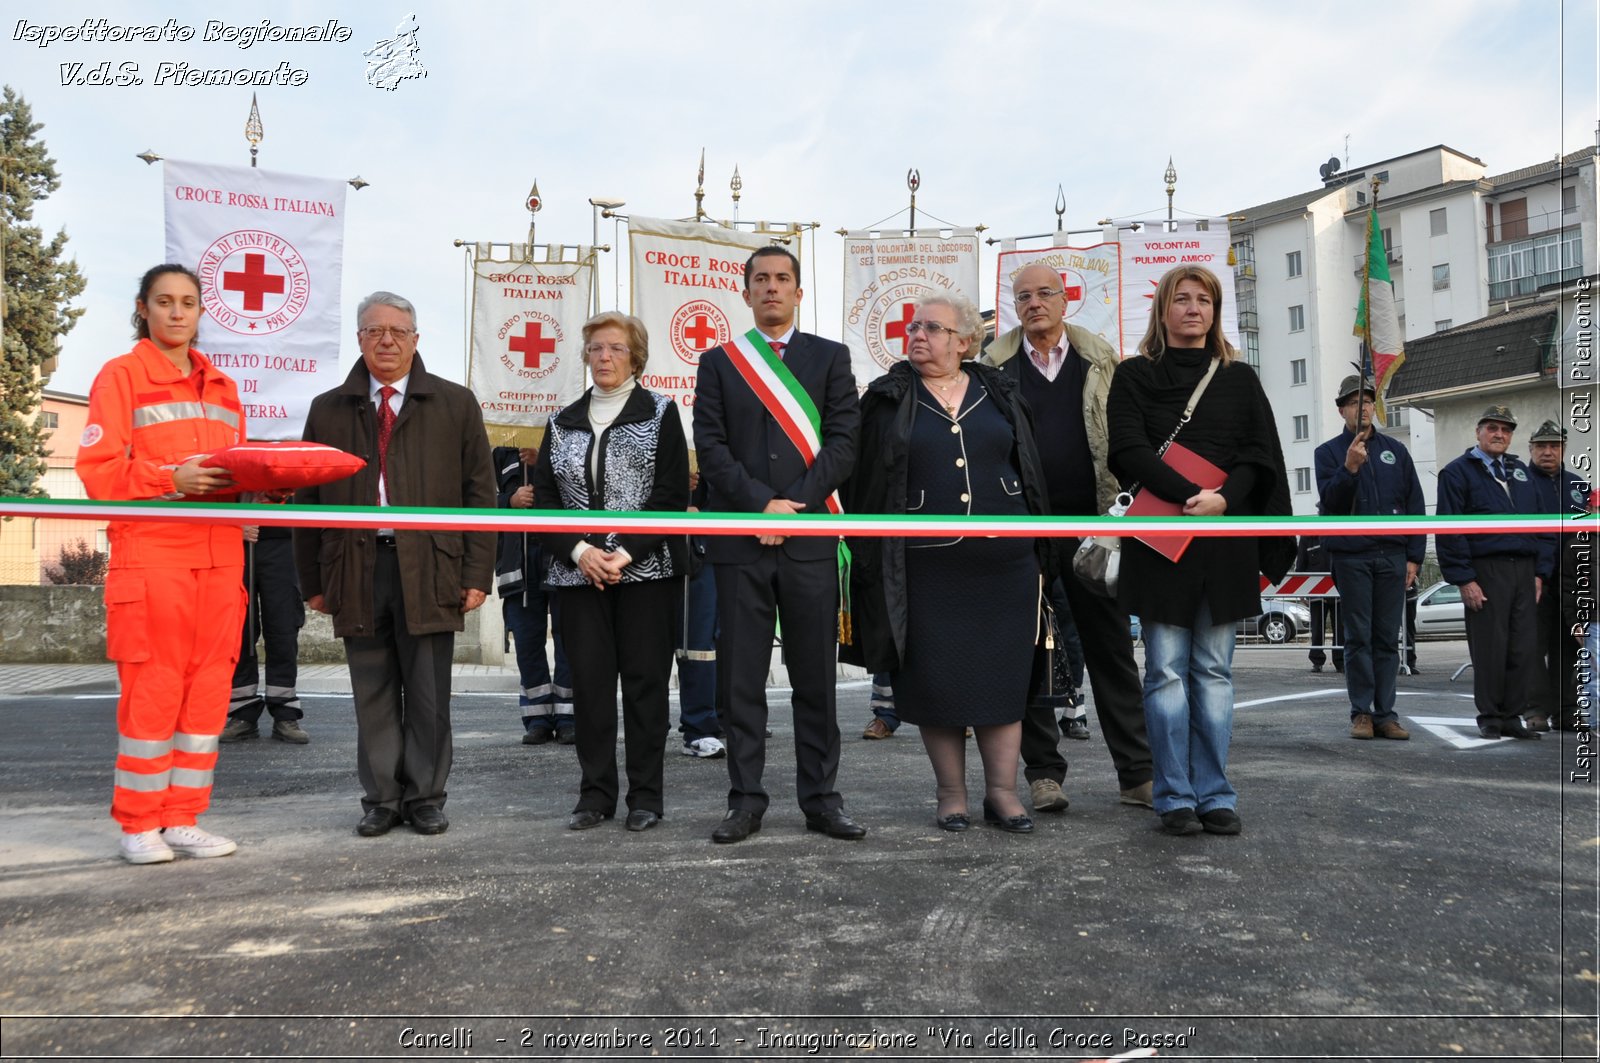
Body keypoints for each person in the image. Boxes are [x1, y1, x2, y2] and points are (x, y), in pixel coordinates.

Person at [294, 291, 496, 837]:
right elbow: (307, 502)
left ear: (415, 338)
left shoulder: (455, 404)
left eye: (398, 332)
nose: (387, 341)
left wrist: (477, 574)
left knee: (429, 692)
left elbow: (481, 493)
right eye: (374, 331)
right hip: (356, 566)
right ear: (359, 339)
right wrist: (312, 580)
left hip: (431, 566)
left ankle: (426, 796)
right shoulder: (328, 408)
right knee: (372, 689)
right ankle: (382, 798)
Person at [846, 292, 1049, 833]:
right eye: (913, 327)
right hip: (925, 566)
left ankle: (1003, 793)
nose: (917, 335)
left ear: (964, 341)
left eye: (932, 328)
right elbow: (864, 480)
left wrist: (1039, 541)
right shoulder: (888, 397)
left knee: (1003, 682)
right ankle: (951, 794)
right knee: (937, 683)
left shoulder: (999, 390)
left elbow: (1029, 464)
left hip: (1006, 562)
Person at [1105, 265, 1292, 837]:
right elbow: (1127, 450)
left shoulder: (1240, 378)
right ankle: (1173, 797)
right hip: (1162, 542)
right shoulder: (1134, 374)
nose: (1193, 309)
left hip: (1223, 540)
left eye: (1203, 300)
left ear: (1215, 311)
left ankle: (1215, 793)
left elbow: (1260, 455)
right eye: (1181, 299)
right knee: (1163, 671)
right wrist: (1190, 495)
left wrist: (1224, 500)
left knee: (1213, 672)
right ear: (1162, 310)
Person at [692, 245, 865, 843]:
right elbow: (710, 448)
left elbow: (844, 445)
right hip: (742, 541)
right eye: (760, 279)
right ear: (745, 293)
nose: (771, 288)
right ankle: (745, 800)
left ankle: (822, 799)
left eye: (782, 279)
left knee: (815, 678)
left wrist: (793, 506)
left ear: (798, 292)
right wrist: (758, 503)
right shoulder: (718, 362)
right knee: (740, 682)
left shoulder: (830, 358)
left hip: (808, 539)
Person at [76, 264, 248, 864]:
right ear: (143, 308)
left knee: (207, 692)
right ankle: (138, 823)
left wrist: (260, 486)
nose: (178, 312)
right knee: (153, 689)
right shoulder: (122, 376)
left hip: (220, 558)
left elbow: (228, 473)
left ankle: (183, 817)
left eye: (189, 303)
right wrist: (167, 478)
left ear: (202, 312)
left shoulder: (223, 387)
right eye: (165, 302)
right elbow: (98, 473)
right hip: (153, 558)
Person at [981, 261, 1154, 812]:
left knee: (1111, 652)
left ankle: (1136, 774)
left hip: (1095, 527)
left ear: (1065, 299)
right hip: (1025, 527)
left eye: (1045, 294)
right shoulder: (992, 365)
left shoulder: (1100, 359)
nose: (1034, 304)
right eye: (1024, 296)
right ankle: (1044, 773)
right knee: (1027, 652)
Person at [530, 312, 689, 832]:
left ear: (636, 357)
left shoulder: (661, 412)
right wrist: (580, 552)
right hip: (577, 576)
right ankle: (595, 796)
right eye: (596, 348)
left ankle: (646, 797)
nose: (604, 357)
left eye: (616, 348)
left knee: (645, 686)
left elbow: (671, 497)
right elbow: (547, 504)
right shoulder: (561, 422)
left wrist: (622, 552)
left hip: (646, 575)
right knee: (592, 688)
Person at [1313, 374, 1425, 741]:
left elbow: (1414, 505)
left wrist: (1415, 556)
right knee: (1358, 636)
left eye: (1367, 402)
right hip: (1352, 555)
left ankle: (1386, 714)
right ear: (1341, 409)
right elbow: (1330, 504)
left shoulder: (1396, 450)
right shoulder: (1328, 453)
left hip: (1393, 553)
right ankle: (1361, 713)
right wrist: (1349, 468)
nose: (1362, 408)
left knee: (1386, 638)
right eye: (1353, 402)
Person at [1435, 405, 1553, 741]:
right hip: (1486, 570)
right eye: (1492, 428)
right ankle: (1489, 716)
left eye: (1506, 429)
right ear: (1478, 432)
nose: (1499, 434)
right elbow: (1449, 529)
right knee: (1490, 647)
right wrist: (1464, 578)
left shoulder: (1521, 472)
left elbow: (1544, 527)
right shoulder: (1457, 472)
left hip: (1525, 571)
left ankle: (1511, 716)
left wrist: (1539, 573)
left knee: (1522, 647)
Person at [493, 444, 575, 745]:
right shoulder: (500, 449)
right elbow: (476, 497)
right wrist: (509, 500)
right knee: (527, 642)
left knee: (570, 640)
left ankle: (568, 717)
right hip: (519, 560)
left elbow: (582, 490)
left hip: (563, 556)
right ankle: (537, 718)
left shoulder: (568, 437)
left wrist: (543, 465)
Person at [1525, 419, 1588, 732]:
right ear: (1531, 449)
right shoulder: (1519, 482)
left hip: (1570, 584)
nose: (1547, 452)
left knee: (1569, 650)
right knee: (1533, 650)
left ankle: (1566, 711)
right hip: (1532, 580)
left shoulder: (1578, 487)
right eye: (1541, 446)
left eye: (1554, 446)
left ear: (1564, 449)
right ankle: (1535, 710)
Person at [221, 517, 307, 744]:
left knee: (284, 628)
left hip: (283, 540)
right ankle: (242, 712)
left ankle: (285, 712)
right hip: (234, 544)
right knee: (240, 630)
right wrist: (230, 526)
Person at [1295, 536, 1343, 674]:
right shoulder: (1307, 538)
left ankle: (1340, 661)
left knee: (1340, 628)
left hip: (1338, 590)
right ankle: (1317, 661)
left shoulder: (1337, 532)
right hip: (1315, 590)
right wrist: (1301, 590)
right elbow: (1301, 564)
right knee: (1317, 628)